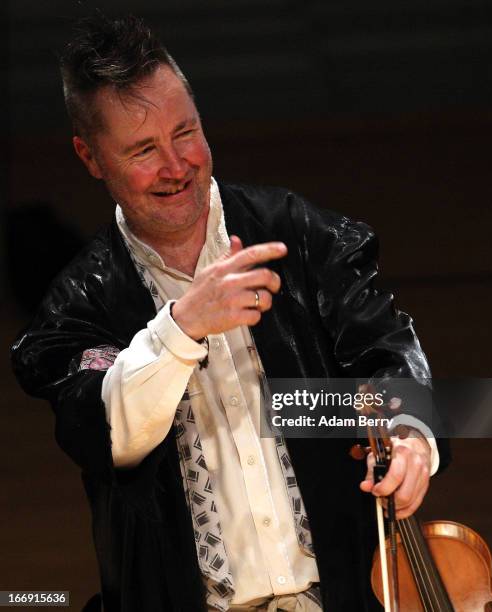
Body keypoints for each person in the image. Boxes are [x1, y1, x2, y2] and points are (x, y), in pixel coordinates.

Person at [11, 14, 444, 612]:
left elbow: (388, 353)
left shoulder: (303, 237)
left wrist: (410, 433)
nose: (177, 164)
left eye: (185, 132)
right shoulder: (75, 308)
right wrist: (183, 327)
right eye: (143, 150)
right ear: (90, 157)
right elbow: (109, 436)